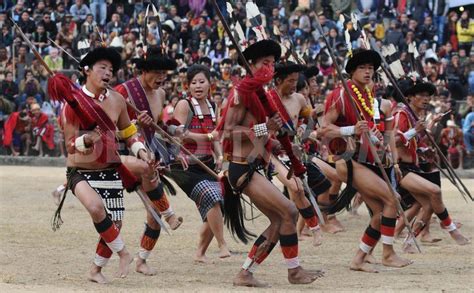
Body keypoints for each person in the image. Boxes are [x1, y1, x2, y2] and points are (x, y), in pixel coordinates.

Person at [218, 39, 321, 287]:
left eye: (273, 64)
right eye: (265, 63)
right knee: (289, 211)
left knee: (279, 220)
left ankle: (246, 273)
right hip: (241, 167)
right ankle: (293, 271)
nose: (270, 68)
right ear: (250, 65)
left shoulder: (258, 93)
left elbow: (262, 137)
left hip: (255, 164)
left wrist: (277, 144)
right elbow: (228, 132)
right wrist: (266, 127)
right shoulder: (239, 94)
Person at [50, 46, 147, 283]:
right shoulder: (72, 102)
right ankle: (123, 253)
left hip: (110, 170)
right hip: (79, 171)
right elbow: (71, 145)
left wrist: (140, 149)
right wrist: (87, 139)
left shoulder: (117, 100)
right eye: (102, 68)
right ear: (86, 70)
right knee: (96, 208)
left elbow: (128, 133)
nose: (107, 73)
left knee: (115, 222)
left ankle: (95, 269)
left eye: (111, 69)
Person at [322, 48, 412, 272]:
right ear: (352, 71)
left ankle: (359, 259)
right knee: (393, 199)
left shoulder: (368, 96)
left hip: (366, 160)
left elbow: (372, 131)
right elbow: (323, 129)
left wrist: (384, 148)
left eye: (371, 68)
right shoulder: (341, 94)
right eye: (362, 67)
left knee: (381, 213)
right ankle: (388, 254)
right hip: (348, 160)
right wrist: (351, 129)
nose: (368, 71)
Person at [114, 47, 183, 275]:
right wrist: (136, 124)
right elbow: (109, 128)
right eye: (156, 72)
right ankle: (170, 214)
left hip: (148, 153)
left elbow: (157, 128)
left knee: (153, 215)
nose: (161, 77)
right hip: (121, 153)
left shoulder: (161, 94)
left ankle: (141, 260)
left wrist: (173, 138)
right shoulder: (123, 92)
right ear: (143, 71)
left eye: (164, 72)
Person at [392, 79, 470, 253]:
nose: (426, 99)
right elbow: (393, 141)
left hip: (413, 165)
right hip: (399, 168)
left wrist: (423, 149)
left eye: (428, 96)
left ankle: (407, 242)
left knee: (426, 205)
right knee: (435, 191)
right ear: (410, 98)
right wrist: (415, 131)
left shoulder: (415, 116)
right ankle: (451, 229)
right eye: (421, 95)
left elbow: (414, 142)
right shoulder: (401, 115)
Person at [165, 64, 231, 263]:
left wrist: (220, 157)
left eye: (202, 81)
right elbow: (178, 133)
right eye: (193, 82)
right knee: (212, 197)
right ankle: (222, 244)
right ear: (188, 86)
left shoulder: (213, 106)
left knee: (216, 205)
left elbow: (216, 137)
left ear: (210, 84)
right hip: (185, 166)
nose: (198, 86)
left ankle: (200, 253)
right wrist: (207, 137)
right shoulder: (184, 105)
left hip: (208, 164)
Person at [270, 61, 329, 246]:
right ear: (278, 80)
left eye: (296, 80)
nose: (295, 85)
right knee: (297, 189)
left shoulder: (299, 99)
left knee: (296, 193)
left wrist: (303, 133)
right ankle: (314, 228)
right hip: (270, 154)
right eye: (290, 81)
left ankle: (302, 232)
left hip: (293, 152)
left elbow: (306, 118)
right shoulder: (267, 99)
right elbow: (254, 130)